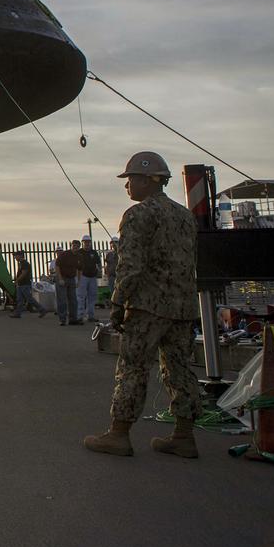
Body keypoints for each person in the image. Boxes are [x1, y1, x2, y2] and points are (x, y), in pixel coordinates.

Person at [85, 151, 203, 459]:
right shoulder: (185, 216)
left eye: (130, 180)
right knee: (180, 370)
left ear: (148, 180)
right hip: (183, 308)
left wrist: (117, 303)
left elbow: (131, 267)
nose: (127, 187)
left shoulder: (138, 215)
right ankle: (184, 435)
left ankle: (119, 434)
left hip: (148, 308)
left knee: (133, 369)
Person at [8, 249, 47, 319]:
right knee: (20, 300)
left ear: (20, 256)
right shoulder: (21, 263)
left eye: (16, 256)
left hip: (25, 284)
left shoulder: (24, 263)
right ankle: (18, 313)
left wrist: (17, 281)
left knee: (29, 299)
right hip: (21, 284)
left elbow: (24, 273)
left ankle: (42, 310)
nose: (15, 258)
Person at [55, 241, 83, 326]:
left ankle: (73, 319)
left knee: (73, 300)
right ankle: (62, 319)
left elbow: (80, 269)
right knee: (62, 300)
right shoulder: (64, 254)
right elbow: (57, 266)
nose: (75, 247)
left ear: (79, 247)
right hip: (62, 277)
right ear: (71, 246)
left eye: (77, 246)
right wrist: (60, 278)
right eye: (74, 245)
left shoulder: (79, 256)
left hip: (71, 279)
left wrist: (78, 281)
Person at [78, 235, 102, 323]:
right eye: (85, 242)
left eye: (88, 242)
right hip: (83, 276)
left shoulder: (94, 252)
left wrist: (99, 272)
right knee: (81, 296)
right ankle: (79, 315)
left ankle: (90, 315)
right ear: (82, 243)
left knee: (92, 296)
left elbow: (98, 263)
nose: (87, 243)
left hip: (92, 277)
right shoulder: (79, 252)